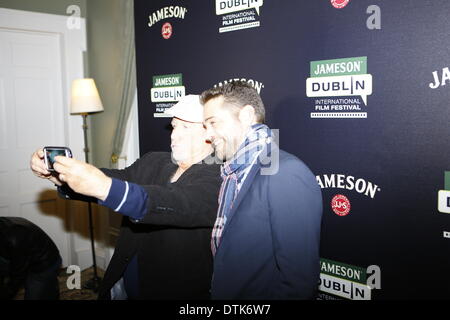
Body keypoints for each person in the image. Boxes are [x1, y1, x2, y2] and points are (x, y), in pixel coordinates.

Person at [30, 95, 221, 300]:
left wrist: (104, 187)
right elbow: (117, 179)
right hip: (127, 276)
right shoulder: (154, 160)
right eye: (174, 126)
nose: (175, 136)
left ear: (210, 134)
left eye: (186, 128)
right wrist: (60, 176)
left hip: (175, 288)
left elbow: (174, 202)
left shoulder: (221, 176)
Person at [201, 82, 323, 299]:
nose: (208, 135)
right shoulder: (232, 172)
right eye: (205, 126)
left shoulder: (286, 173)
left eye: (213, 123)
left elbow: (299, 282)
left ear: (247, 116)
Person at [0, 217, 62, 300]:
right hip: (21, 255)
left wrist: (6, 294)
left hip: (44, 265)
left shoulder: (15, 239)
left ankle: (50, 286)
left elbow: (18, 275)